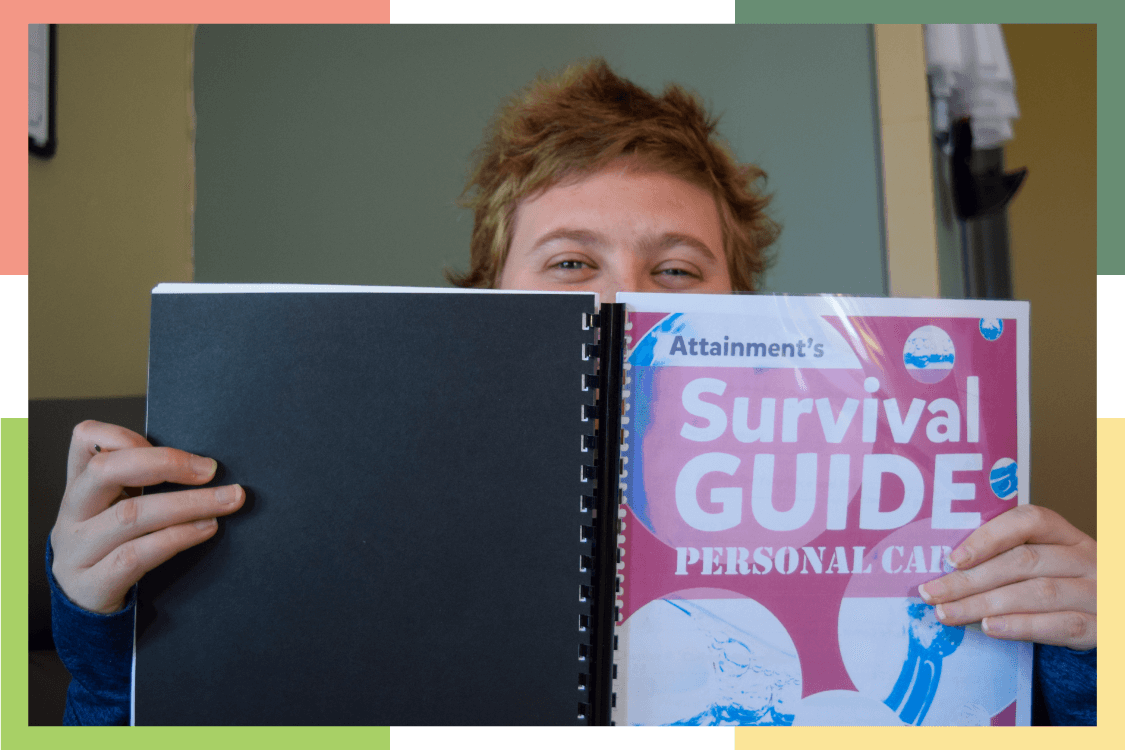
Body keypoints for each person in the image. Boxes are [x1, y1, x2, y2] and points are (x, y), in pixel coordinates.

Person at [48, 58, 1095, 725]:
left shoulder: (879, 486)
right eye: (568, 263)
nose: (624, 302)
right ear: (485, 298)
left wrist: (1093, 651)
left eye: (677, 270)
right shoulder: (353, 486)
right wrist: (101, 637)